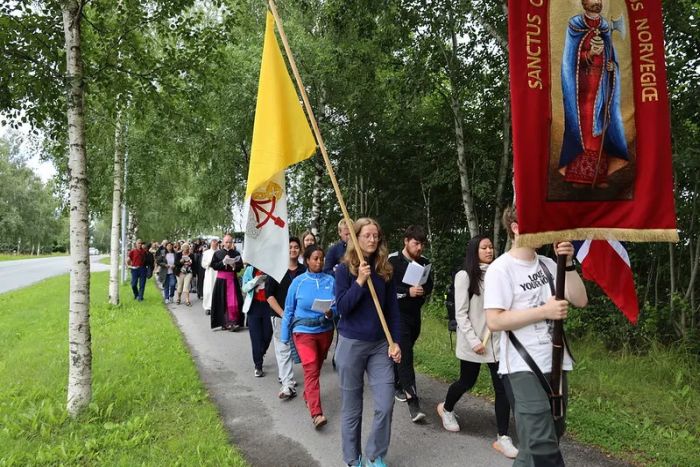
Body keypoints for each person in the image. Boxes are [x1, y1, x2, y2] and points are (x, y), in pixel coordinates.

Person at [485, 206, 588, 466]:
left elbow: (580, 299)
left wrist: (569, 262)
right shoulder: (501, 269)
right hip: (522, 365)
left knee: (549, 435)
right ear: (516, 227)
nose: (544, 228)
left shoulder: (549, 264)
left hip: (555, 361)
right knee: (542, 443)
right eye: (537, 222)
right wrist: (544, 310)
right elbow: (494, 320)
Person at [436, 235, 518, 459]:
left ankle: (503, 437)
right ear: (475, 251)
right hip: (474, 342)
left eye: (491, 247)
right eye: (484, 247)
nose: (489, 251)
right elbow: (460, 313)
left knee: (502, 388)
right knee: (467, 381)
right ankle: (447, 409)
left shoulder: (499, 273)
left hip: (497, 342)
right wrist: (473, 340)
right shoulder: (465, 276)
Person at [335, 217, 402, 467]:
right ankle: (353, 459)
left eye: (376, 235)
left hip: (379, 346)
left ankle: (375, 454)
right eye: (367, 235)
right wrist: (360, 282)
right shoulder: (344, 270)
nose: (372, 240)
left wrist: (395, 342)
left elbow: (393, 311)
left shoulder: (385, 270)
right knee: (352, 408)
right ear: (356, 238)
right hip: (351, 344)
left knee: (385, 404)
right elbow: (343, 307)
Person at [559, 0, 628, 188]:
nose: (597, 2)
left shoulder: (605, 26)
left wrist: (612, 66)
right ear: (583, 3)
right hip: (582, 86)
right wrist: (589, 54)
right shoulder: (575, 24)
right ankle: (579, 176)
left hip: (601, 83)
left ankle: (599, 176)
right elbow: (570, 58)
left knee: (601, 122)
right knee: (585, 125)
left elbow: (610, 54)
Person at [281, 245, 336, 428]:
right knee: (311, 368)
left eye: (321, 258)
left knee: (317, 367)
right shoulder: (298, 282)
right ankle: (316, 413)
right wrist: (283, 336)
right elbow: (289, 310)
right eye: (315, 258)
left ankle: (308, 395)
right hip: (303, 331)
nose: (319, 262)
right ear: (307, 260)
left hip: (325, 330)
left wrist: (331, 312)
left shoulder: (331, 280)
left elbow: (338, 304)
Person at [388, 225, 433, 422]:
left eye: (422, 244)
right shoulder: (392, 260)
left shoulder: (424, 262)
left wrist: (423, 290)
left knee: (403, 352)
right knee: (406, 355)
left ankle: (395, 381)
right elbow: (386, 289)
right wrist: (407, 292)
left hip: (415, 315)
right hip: (397, 316)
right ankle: (413, 402)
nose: (419, 248)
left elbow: (429, 284)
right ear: (406, 241)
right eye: (416, 243)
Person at [266, 237, 305, 399]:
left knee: (302, 350)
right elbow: (269, 296)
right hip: (280, 316)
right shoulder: (276, 270)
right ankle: (287, 384)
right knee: (283, 350)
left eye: (296, 247)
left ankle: (296, 380)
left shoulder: (304, 270)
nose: (293, 250)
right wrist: (283, 314)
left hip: (301, 318)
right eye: (289, 247)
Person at [241, 265, 273, 377]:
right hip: (253, 307)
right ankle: (258, 365)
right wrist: (255, 281)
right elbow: (244, 288)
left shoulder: (272, 268)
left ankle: (261, 352)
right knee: (255, 338)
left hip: (269, 307)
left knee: (268, 334)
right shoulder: (250, 270)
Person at [210, 234, 244, 331]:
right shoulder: (217, 253)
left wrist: (234, 266)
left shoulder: (236, 253)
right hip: (221, 281)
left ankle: (234, 321)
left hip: (232, 280)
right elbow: (214, 265)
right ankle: (224, 323)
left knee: (235, 301)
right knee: (222, 302)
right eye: (226, 242)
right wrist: (223, 263)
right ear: (223, 242)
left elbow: (240, 266)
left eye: (230, 242)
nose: (228, 244)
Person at [201, 238, 219, 315]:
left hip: (218, 273)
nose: (215, 243)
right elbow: (203, 264)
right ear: (211, 243)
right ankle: (208, 307)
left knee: (216, 289)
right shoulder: (206, 253)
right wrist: (209, 263)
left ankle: (217, 306)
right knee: (208, 290)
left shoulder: (219, 252)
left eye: (216, 242)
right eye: (213, 242)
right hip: (209, 273)